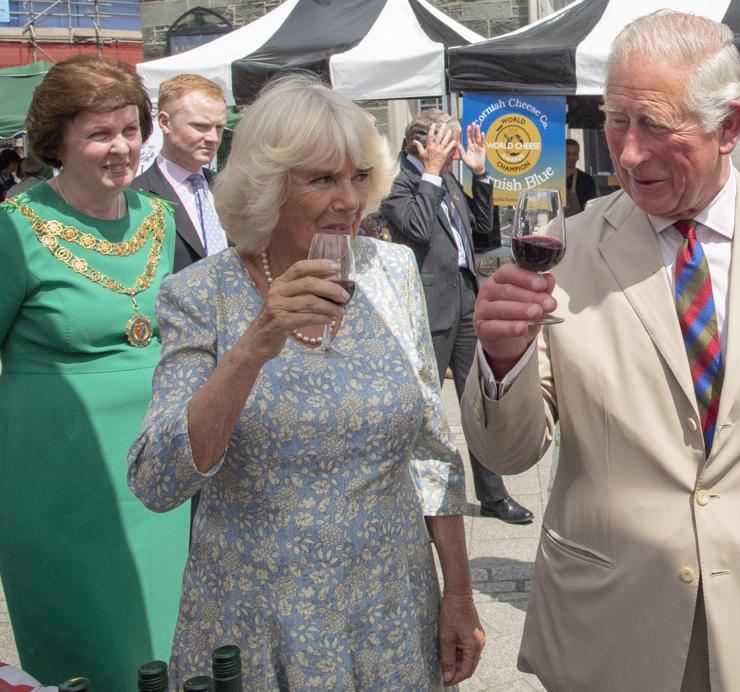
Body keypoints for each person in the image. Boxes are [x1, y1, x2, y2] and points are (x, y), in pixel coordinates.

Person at [460, 11, 740, 690]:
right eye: (616, 121)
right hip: (611, 625)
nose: (626, 152)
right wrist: (501, 363)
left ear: (729, 129)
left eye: (655, 124)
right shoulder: (564, 251)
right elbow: (508, 456)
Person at [127, 75, 484, 689]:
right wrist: (254, 346)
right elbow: (158, 480)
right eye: (321, 180)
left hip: (390, 605)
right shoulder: (201, 295)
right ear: (267, 187)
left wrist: (458, 591)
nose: (348, 200)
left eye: (358, 177)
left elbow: (432, 450)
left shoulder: (391, 271)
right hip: (260, 612)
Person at [0, 55, 188, 688]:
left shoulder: (160, 220)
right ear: (58, 142)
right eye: (100, 134)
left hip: (160, 481)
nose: (121, 148)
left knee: (167, 648)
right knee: (96, 660)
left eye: (130, 129)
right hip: (57, 487)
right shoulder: (13, 229)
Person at [381, 109, 533, 525]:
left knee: (479, 401)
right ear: (421, 146)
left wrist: (481, 176)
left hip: (467, 304)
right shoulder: (399, 184)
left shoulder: (448, 177)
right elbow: (416, 228)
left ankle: (493, 496)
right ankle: (417, 496)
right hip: (427, 311)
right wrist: (430, 174)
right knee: (422, 409)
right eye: (448, 146)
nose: (455, 154)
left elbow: (483, 231)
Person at [133, 73, 228, 272]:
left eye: (219, 128)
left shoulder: (229, 188)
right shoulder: (136, 198)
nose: (212, 138)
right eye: (200, 126)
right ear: (165, 122)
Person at [564, 138, 597, 216]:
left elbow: (589, 210)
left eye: (574, 154)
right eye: (568, 153)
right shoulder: (552, 177)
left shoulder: (587, 180)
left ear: (578, 156)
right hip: (553, 225)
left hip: (577, 225)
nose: (571, 157)